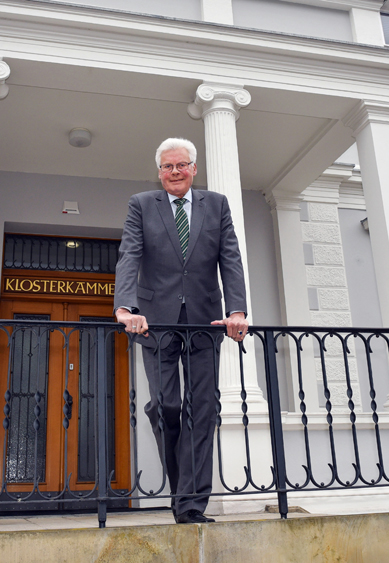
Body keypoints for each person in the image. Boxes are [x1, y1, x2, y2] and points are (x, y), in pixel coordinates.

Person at [114, 137, 248, 524]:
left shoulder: (217, 204)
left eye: (182, 165)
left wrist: (236, 309)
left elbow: (230, 257)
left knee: (202, 410)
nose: (175, 172)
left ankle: (190, 504)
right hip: (155, 322)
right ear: (159, 172)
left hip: (206, 322)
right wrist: (125, 308)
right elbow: (130, 254)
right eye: (168, 166)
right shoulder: (142, 205)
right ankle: (181, 488)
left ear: (194, 168)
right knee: (168, 405)